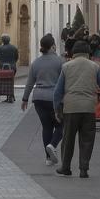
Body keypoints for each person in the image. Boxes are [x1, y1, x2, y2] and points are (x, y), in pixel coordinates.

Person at [53, 40, 100, 178]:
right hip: (88, 108)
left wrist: (57, 109)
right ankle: (84, 169)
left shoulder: (66, 67)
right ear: (88, 53)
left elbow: (57, 92)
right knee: (87, 139)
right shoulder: (94, 67)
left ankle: (65, 167)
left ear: (73, 53)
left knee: (68, 139)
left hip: (70, 108)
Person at [21, 34, 65, 164]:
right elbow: (64, 82)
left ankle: (48, 158)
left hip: (39, 98)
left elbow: (29, 83)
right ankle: (52, 145)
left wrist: (24, 99)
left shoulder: (36, 63)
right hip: (54, 99)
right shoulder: (59, 62)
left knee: (46, 127)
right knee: (61, 125)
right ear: (52, 46)